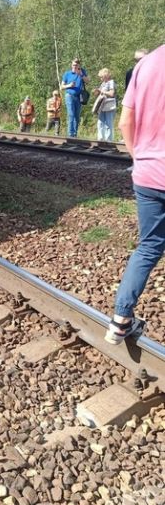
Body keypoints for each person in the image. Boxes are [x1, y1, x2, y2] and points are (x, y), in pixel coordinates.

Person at [105, 44, 165, 344]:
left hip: (148, 174)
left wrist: (138, 157)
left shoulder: (147, 64)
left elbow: (125, 122)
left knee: (149, 247)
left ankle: (120, 320)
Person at [61, 58, 89, 137]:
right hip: (69, 95)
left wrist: (81, 74)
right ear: (71, 65)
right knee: (71, 114)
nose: (74, 66)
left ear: (79, 66)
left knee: (77, 116)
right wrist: (69, 85)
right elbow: (61, 86)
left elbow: (87, 81)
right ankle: (70, 134)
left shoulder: (82, 72)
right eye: (73, 65)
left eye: (76, 65)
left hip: (78, 97)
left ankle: (75, 134)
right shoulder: (67, 74)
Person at [93, 68, 117, 142]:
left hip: (109, 105)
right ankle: (101, 138)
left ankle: (109, 140)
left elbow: (112, 93)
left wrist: (103, 92)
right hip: (102, 106)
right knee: (100, 122)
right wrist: (96, 92)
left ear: (105, 76)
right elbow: (100, 93)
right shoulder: (103, 84)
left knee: (108, 123)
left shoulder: (111, 82)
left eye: (101, 77)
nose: (100, 78)